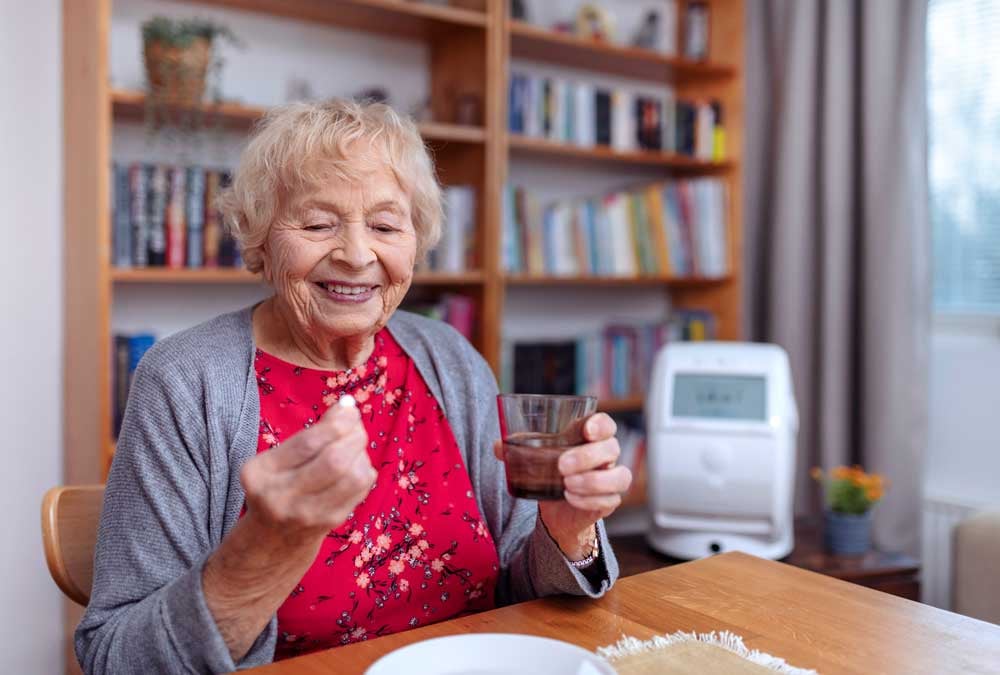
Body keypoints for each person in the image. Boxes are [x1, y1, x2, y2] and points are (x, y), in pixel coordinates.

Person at [76, 98, 632, 673]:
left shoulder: (449, 358)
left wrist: (567, 532)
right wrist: (262, 552)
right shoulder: (184, 383)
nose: (357, 254)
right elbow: (114, 656)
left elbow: (521, 585)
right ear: (261, 240)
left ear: (415, 242)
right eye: (317, 224)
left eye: (387, 225)